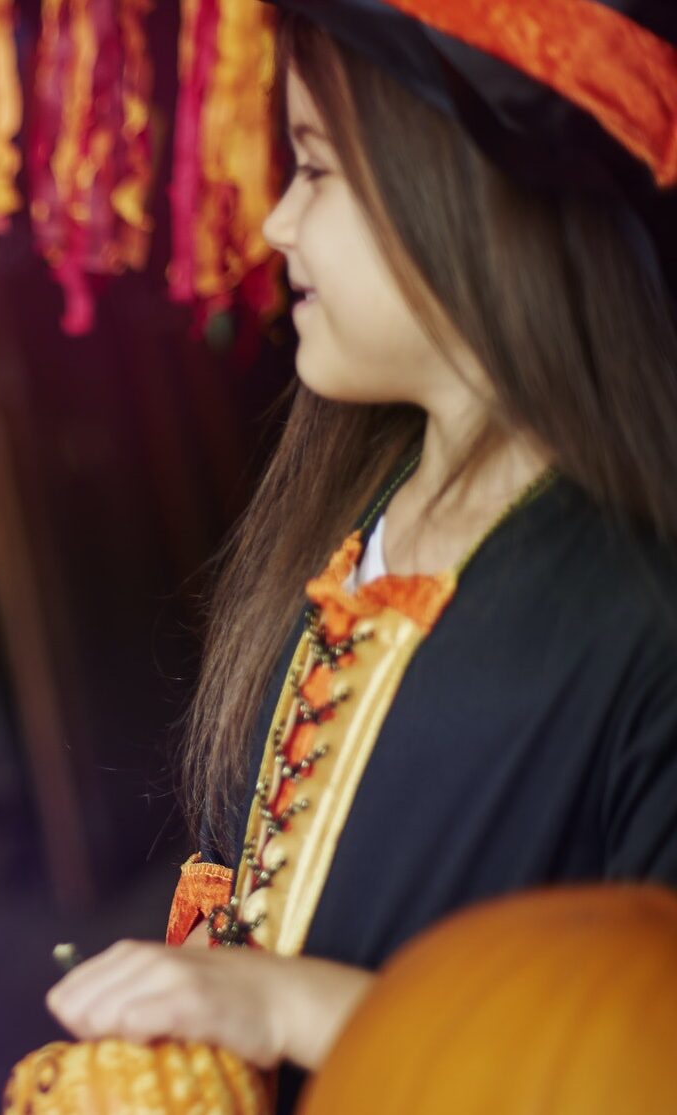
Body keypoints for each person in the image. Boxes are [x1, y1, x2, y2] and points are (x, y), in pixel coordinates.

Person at [45, 2, 677, 1108]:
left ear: (474, 195)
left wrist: (294, 1006)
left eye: (316, 167)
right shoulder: (356, 512)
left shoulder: (642, 612)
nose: (278, 222)